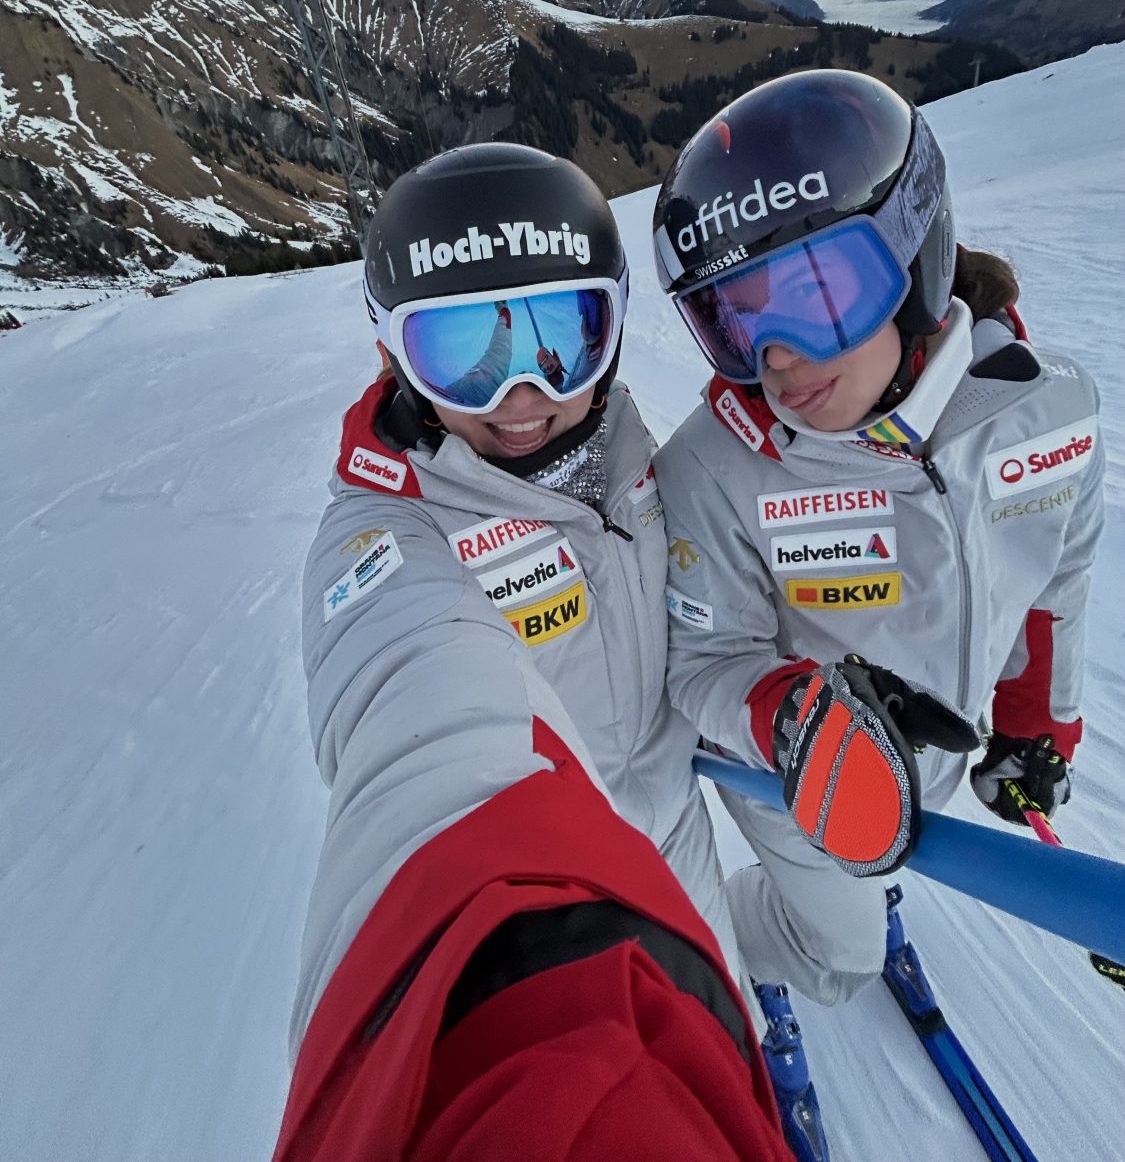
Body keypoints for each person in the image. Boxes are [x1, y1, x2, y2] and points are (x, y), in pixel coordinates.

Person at [275, 142, 793, 1160]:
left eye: (563, 335)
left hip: (676, 822)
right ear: (392, 358)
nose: (521, 393)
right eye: (462, 349)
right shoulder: (388, 537)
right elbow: (414, 709)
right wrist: (474, 976)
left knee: (718, 1016)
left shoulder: (622, 442)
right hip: (559, 869)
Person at [651, 69, 1104, 1006]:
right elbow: (701, 659)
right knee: (839, 963)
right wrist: (793, 724)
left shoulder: (1046, 411)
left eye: (816, 294)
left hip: (935, 755)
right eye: (733, 319)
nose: (775, 356)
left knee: (870, 887)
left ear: (913, 259)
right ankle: (705, 943)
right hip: (794, 780)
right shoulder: (719, 467)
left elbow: (1055, 580)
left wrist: (1033, 721)